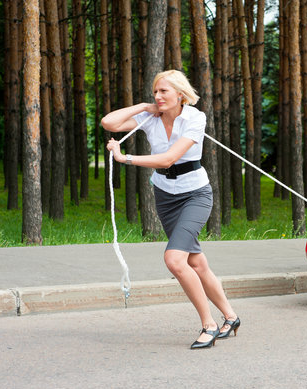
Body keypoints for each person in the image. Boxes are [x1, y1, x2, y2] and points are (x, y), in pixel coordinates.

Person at [103, 70, 240, 349]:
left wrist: (124, 157)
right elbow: (109, 122)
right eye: (155, 91)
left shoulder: (195, 118)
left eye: (164, 91)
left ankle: (209, 325)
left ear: (180, 93)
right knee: (196, 263)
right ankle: (231, 316)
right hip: (166, 196)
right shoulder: (149, 115)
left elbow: (168, 159)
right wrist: (144, 107)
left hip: (195, 195)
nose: (158, 96)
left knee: (175, 260)